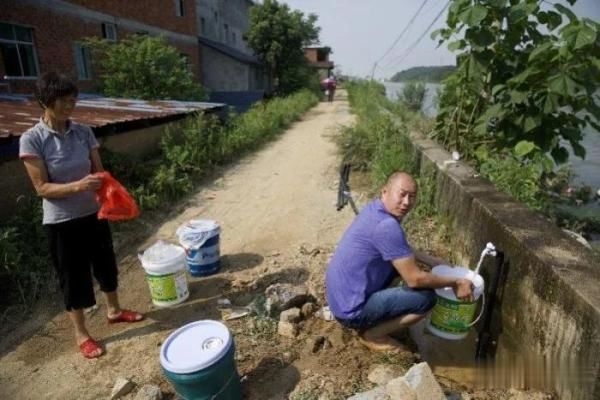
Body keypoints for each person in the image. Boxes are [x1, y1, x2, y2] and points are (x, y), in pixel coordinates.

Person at [19, 72, 144, 359]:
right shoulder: (32, 139)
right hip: (62, 222)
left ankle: (114, 310)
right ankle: (82, 334)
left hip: (94, 214)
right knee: (73, 277)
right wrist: (78, 185)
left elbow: (97, 170)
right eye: (62, 100)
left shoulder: (83, 131)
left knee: (106, 264)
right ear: (45, 101)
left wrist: (111, 192)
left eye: (72, 100)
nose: (69, 105)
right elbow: (41, 188)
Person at [325, 171, 474, 353]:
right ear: (385, 191)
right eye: (401, 194)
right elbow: (415, 280)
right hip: (351, 312)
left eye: (411, 197)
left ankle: (383, 308)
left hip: (339, 300)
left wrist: (431, 260)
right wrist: (456, 282)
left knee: (400, 265)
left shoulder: (374, 210)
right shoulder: (387, 226)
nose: (406, 202)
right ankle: (374, 334)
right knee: (426, 298)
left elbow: (397, 247)